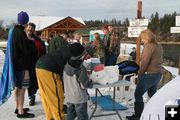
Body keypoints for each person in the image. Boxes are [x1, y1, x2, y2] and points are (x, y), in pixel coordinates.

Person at [35, 43, 92, 120]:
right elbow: (75, 70)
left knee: (47, 97)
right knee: (57, 99)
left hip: (40, 65)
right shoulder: (76, 54)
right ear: (83, 54)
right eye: (86, 57)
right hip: (49, 68)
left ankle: (50, 117)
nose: (86, 59)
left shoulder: (72, 49)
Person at [126, 29, 163, 120]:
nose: (142, 40)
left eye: (143, 39)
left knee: (138, 94)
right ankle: (159, 111)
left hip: (149, 74)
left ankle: (138, 116)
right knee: (153, 94)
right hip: (157, 74)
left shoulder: (149, 46)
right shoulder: (158, 46)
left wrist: (140, 73)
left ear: (147, 38)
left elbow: (145, 62)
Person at [12, 11, 35, 118]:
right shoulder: (21, 33)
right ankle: (21, 112)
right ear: (26, 21)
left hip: (15, 64)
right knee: (22, 88)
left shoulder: (13, 31)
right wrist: (30, 41)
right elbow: (26, 50)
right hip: (22, 65)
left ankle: (18, 107)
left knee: (17, 87)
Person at [63, 43, 93, 120]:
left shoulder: (66, 65)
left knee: (70, 115)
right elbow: (85, 85)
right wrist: (91, 82)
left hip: (69, 97)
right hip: (79, 98)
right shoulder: (81, 68)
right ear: (81, 55)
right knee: (82, 116)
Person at [25, 22, 46, 106]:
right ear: (26, 28)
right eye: (29, 27)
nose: (30, 29)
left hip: (37, 63)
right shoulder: (23, 38)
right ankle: (31, 97)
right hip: (26, 64)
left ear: (34, 30)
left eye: (32, 28)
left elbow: (43, 50)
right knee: (29, 82)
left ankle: (43, 96)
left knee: (38, 81)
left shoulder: (38, 39)